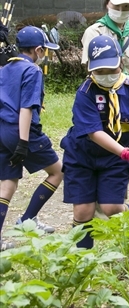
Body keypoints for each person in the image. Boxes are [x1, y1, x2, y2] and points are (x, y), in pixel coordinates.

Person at [60, 35, 129, 249]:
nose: (105, 75)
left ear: (120, 63)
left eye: (110, 69)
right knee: (83, 211)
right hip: (82, 157)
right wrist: (125, 153)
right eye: (100, 71)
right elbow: (93, 133)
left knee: (111, 208)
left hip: (114, 161)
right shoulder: (85, 93)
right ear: (90, 68)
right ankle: (81, 261)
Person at [0, 26, 63, 251]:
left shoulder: (5, 68)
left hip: (2, 130)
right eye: (44, 50)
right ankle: (28, 219)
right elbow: (26, 107)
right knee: (58, 172)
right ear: (37, 49)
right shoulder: (33, 71)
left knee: (7, 183)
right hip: (22, 132)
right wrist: (24, 142)